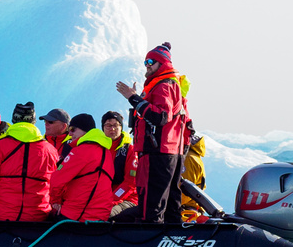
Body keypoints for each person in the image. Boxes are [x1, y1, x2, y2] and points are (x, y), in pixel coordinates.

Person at [116, 42, 190, 225]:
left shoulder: (163, 86)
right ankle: (171, 241)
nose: (147, 65)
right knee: (171, 204)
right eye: (146, 61)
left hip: (156, 152)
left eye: (152, 61)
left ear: (162, 64)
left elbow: (160, 116)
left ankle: (147, 242)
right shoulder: (173, 85)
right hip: (170, 152)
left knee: (151, 205)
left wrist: (133, 99)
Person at [50, 114, 137, 221]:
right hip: (101, 204)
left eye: (116, 125)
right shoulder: (105, 151)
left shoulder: (129, 150)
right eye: (108, 125)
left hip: (123, 199)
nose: (112, 129)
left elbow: (131, 182)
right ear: (102, 128)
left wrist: (112, 199)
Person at [181, 132, 208, 220]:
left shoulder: (188, 159)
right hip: (189, 208)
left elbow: (184, 192)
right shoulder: (190, 156)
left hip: (186, 212)